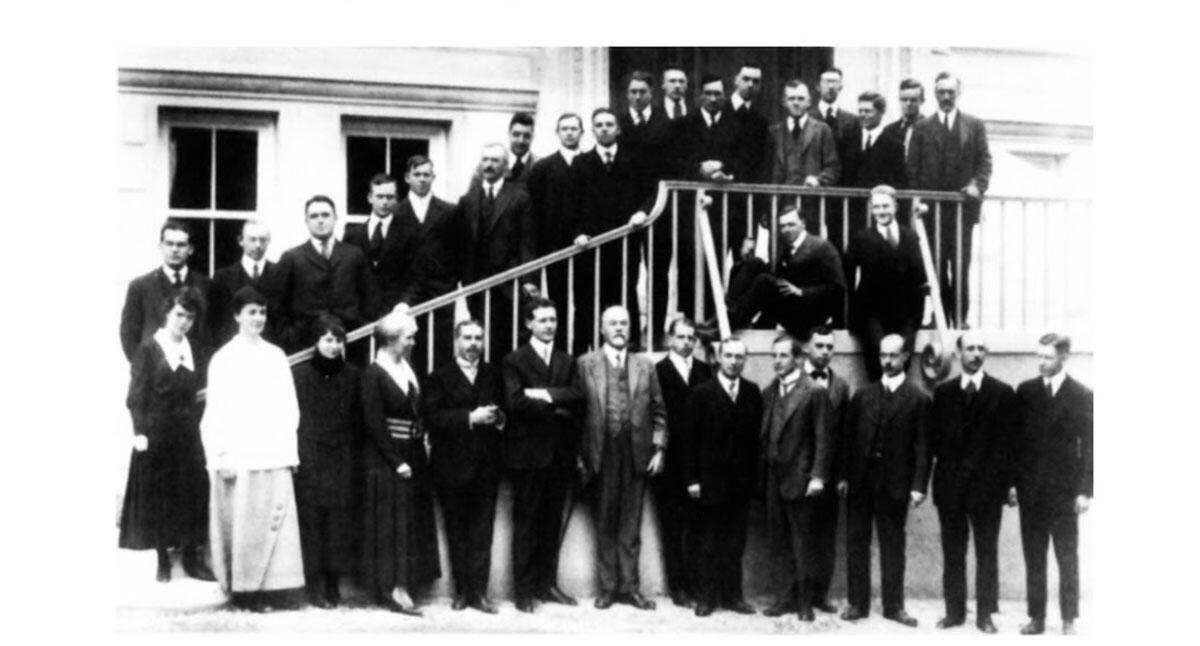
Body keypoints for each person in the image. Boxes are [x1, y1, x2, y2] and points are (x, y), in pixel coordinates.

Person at [201, 286, 305, 612]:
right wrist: (221, 456)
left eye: (262, 312)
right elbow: (216, 411)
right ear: (236, 316)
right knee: (245, 522)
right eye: (251, 312)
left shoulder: (275, 356)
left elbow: (289, 406)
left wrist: (290, 450)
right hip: (241, 453)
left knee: (274, 521)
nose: (258, 318)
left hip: (272, 450)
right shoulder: (224, 359)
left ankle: (276, 588)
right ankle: (246, 591)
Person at [119, 287, 215, 584]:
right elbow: (136, 396)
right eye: (179, 315)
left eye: (190, 316)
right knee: (160, 496)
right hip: (157, 432)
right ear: (167, 314)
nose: (184, 321)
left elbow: (200, 392)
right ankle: (163, 558)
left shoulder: (194, 348)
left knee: (192, 492)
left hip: (187, 433)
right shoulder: (149, 348)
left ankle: (190, 557)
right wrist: (140, 432)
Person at [577, 305, 668, 611]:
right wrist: (580, 457)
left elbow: (659, 412)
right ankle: (607, 588)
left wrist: (658, 449)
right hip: (600, 453)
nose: (619, 328)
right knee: (604, 523)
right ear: (602, 329)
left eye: (624, 323)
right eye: (613, 323)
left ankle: (630, 588)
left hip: (636, 453)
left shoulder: (645, 366)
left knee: (631, 525)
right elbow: (577, 415)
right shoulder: (585, 364)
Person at [839, 334, 931, 627]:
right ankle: (858, 603)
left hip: (894, 484)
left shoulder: (918, 399)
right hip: (860, 482)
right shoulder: (863, 395)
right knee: (857, 543)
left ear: (905, 357)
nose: (887, 362)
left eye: (893, 356)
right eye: (883, 356)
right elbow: (847, 440)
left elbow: (923, 448)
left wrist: (918, 486)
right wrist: (843, 476)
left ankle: (894, 606)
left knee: (893, 545)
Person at [501, 298, 585, 613]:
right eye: (543, 320)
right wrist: (556, 404)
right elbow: (514, 402)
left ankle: (546, 585)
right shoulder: (514, 360)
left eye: (553, 319)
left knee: (551, 522)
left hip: (559, 454)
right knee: (526, 522)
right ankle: (523, 591)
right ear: (529, 324)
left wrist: (541, 394)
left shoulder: (567, 360)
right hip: (526, 454)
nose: (550, 325)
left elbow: (579, 397)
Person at [930, 330, 1016, 633]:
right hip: (951, 488)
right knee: (953, 553)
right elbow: (934, 442)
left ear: (986, 353)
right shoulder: (943, 393)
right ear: (958, 353)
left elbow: (1009, 445)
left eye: (981, 349)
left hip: (987, 490)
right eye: (970, 349)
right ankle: (954, 613)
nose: (975, 354)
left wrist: (1007, 485)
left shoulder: (1003, 393)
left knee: (986, 552)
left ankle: (984, 615)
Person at [360, 306, 441, 616]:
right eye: (408, 337)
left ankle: (407, 583)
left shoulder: (406, 369)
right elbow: (373, 423)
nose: (413, 342)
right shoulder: (373, 374)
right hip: (387, 458)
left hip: (413, 452)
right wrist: (395, 460)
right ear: (391, 339)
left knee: (410, 520)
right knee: (392, 523)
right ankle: (393, 588)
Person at [421, 319, 506, 615]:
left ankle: (480, 593)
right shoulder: (439, 377)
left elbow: (506, 410)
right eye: (467, 338)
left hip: (486, 465)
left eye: (478, 338)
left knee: (483, 532)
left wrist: (498, 418)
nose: (473, 343)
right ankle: (461, 592)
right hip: (451, 466)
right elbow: (432, 418)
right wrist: (471, 417)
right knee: (456, 531)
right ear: (456, 341)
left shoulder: (494, 374)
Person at [1011, 333, 1092, 635]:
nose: (1041, 362)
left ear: (1063, 357)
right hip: (1031, 491)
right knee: (1034, 556)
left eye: (1047, 357)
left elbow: (1091, 447)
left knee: (1067, 556)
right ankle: (1037, 617)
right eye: (1039, 356)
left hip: (1065, 493)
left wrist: (1085, 491)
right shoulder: (1026, 392)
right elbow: (1015, 443)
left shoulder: (1081, 395)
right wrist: (1013, 484)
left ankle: (1069, 618)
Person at [680, 337, 762, 617]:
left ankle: (733, 596)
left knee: (735, 543)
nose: (734, 361)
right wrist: (691, 479)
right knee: (707, 542)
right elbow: (688, 441)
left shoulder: (752, 393)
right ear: (718, 358)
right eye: (728, 356)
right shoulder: (701, 393)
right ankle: (706, 597)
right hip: (708, 483)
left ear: (745, 360)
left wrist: (754, 483)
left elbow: (756, 443)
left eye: (740, 357)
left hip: (739, 485)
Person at [906, 71, 992, 327]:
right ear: (934, 95)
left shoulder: (974, 125)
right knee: (937, 268)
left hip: (962, 212)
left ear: (958, 93)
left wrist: (977, 185)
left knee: (961, 269)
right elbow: (912, 169)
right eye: (941, 92)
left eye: (950, 92)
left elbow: (984, 162)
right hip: (932, 212)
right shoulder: (922, 128)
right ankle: (939, 317)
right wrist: (917, 200)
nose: (945, 97)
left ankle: (960, 319)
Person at [291, 315, 364, 609]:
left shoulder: (353, 375)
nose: (333, 346)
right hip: (311, 453)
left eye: (338, 341)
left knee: (338, 522)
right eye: (328, 340)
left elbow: (358, 418)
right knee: (312, 521)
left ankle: (333, 582)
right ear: (316, 342)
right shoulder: (300, 375)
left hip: (341, 454)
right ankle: (314, 584)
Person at [759, 335, 831, 622]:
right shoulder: (769, 392)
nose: (777, 361)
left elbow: (823, 438)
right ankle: (784, 598)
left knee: (802, 543)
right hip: (773, 479)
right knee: (778, 542)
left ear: (798, 359)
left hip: (800, 480)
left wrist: (817, 476)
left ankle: (805, 603)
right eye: (774, 356)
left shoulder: (813, 392)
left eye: (783, 356)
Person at [575, 108, 655, 350]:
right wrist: (578, 233)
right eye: (598, 125)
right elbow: (572, 203)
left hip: (626, 242)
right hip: (592, 245)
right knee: (590, 300)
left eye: (609, 124)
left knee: (625, 293)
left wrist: (642, 211)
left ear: (618, 129)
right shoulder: (581, 163)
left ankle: (629, 347)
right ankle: (593, 352)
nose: (604, 129)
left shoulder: (634, 160)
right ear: (592, 131)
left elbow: (650, 192)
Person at [454, 143, 537, 358]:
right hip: (476, 285)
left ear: (506, 166)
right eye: (485, 160)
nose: (489, 165)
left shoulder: (520, 197)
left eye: (495, 160)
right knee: (480, 342)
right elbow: (462, 244)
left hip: (509, 284)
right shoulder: (468, 200)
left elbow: (527, 242)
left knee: (507, 341)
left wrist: (528, 279)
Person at [652, 316, 712, 608]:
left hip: (699, 463)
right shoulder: (657, 371)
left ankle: (698, 585)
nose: (687, 342)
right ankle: (678, 588)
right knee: (672, 528)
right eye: (681, 337)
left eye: (691, 338)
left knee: (699, 528)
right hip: (670, 461)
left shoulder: (705, 370)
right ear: (669, 339)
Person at [843, 186, 927, 381]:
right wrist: (850, 318)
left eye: (886, 206)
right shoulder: (861, 239)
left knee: (902, 361)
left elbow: (919, 277)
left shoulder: (910, 237)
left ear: (895, 206)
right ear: (871, 209)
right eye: (877, 207)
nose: (881, 211)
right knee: (878, 362)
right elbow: (846, 279)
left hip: (905, 314)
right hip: (873, 314)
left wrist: (918, 317)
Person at [277, 195, 378, 353]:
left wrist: (362, 328)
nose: (320, 220)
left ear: (335, 218)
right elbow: (279, 304)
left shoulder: (353, 254)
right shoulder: (292, 257)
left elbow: (370, 297)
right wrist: (290, 336)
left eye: (325, 215)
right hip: (305, 343)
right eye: (314, 216)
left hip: (351, 341)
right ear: (306, 221)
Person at [724, 206, 846, 336]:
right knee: (755, 263)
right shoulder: (789, 248)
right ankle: (727, 314)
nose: (786, 230)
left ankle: (726, 324)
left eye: (791, 225)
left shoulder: (821, 247)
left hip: (809, 318)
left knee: (764, 281)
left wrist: (802, 292)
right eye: (782, 226)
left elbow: (838, 288)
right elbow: (779, 278)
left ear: (803, 224)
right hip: (792, 307)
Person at [798, 325, 851, 613]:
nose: (825, 351)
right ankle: (797, 596)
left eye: (830, 347)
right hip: (801, 472)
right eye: (819, 346)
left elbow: (844, 436)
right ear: (807, 347)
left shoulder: (841, 386)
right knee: (799, 537)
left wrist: (842, 475)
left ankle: (820, 594)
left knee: (825, 538)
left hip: (829, 476)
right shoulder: (794, 380)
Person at [526, 113, 588, 354]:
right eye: (565, 129)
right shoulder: (543, 168)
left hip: (586, 245)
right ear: (557, 133)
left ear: (582, 132)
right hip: (554, 247)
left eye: (574, 128)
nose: (570, 133)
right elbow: (535, 210)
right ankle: (559, 353)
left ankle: (582, 352)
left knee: (584, 302)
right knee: (557, 301)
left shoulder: (590, 163)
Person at [120, 220, 211, 363]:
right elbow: (128, 335)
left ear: (190, 249)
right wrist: (143, 368)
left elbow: (215, 332)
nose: (175, 249)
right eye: (169, 244)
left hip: (194, 375)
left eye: (181, 245)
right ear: (161, 247)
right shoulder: (140, 286)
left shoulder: (206, 286)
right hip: (153, 374)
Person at [399, 156, 458, 374]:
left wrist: (450, 282)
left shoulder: (449, 211)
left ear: (433, 177)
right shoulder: (397, 212)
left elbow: (459, 250)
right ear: (407, 177)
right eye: (417, 174)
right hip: (406, 294)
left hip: (440, 292)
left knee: (440, 350)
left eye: (426, 175)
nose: (422, 179)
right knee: (405, 350)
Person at [343, 173, 425, 314]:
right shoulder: (352, 235)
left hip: (395, 313)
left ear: (396, 199)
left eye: (390, 197)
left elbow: (417, 276)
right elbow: (345, 276)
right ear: (370, 198)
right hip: (360, 314)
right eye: (380, 197)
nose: (385, 202)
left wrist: (405, 303)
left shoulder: (409, 234)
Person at [209, 220, 286, 347]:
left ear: (269, 241)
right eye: (252, 239)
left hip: (272, 349)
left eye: (263, 240)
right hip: (235, 349)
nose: (258, 245)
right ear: (240, 240)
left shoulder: (281, 273)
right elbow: (217, 322)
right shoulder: (223, 277)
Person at [810, 67, 862, 253]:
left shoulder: (852, 121)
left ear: (841, 86)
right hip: (812, 194)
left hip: (840, 196)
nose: (831, 86)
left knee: (840, 247)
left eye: (835, 82)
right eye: (826, 81)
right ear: (818, 86)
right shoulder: (807, 117)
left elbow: (853, 161)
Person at [617, 70, 671, 170]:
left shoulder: (664, 120)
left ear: (651, 93)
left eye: (642, 92)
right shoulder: (618, 121)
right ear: (627, 94)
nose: (637, 97)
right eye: (633, 92)